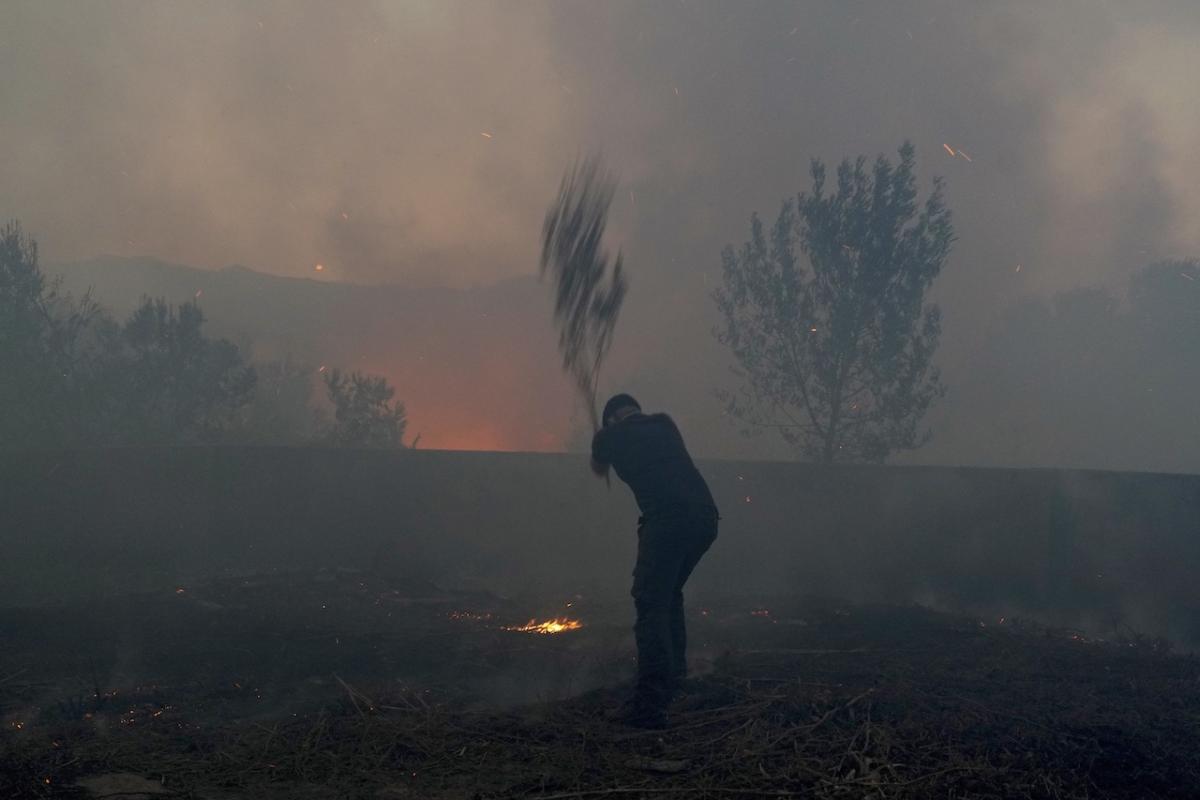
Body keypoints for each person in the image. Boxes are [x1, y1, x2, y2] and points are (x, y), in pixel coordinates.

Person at [591, 393, 719, 728]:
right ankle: (676, 681)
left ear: (612, 419)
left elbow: (597, 462)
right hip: (705, 519)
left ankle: (649, 704)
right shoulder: (664, 425)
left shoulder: (614, 435)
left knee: (650, 603)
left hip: (668, 522)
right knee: (669, 596)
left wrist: (602, 435)